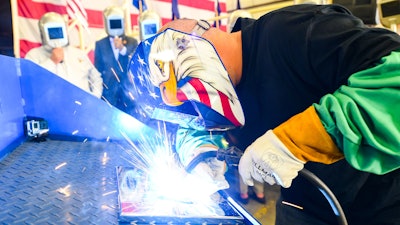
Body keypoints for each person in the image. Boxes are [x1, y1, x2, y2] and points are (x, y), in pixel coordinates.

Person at [126, 4, 400, 225]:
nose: (197, 115)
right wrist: (200, 153)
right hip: (308, 208)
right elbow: (194, 129)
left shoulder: (292, 31)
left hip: (387, 206)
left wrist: (296, 142)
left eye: (189, 104)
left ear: (186, 51)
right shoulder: (221, 95)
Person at [25, 12, 103, 98]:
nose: (56, 35)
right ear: (43, 32)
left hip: (83, 108)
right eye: (52, 31)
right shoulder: (33, 56)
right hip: (51, 109)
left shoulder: (78, 53)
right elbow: (31, 83)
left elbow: (96, 78)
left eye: (59, 30)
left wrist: (94, 98)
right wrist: (52, 62)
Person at [94, 6, 138, 109]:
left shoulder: (132, 42)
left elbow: (134, 62)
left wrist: (122, 48)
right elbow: (97, 70)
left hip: (128, 95)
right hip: (108, 96)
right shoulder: (100, 44)